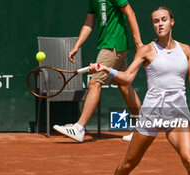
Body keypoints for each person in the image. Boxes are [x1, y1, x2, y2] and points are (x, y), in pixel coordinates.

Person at [88, 6, 190, 175]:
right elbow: (126, 78)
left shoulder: (185, 50)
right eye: (156, 21)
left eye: (164, 20)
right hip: (152, 114)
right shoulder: (146, 50)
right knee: (129, 163)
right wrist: (107, 69)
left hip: (177, 114)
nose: (160, 24)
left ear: (172, 21)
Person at [53, 0, 142, 142]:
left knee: (95, 83)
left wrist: (138, 44)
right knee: (125, 86)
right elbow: (89, 23)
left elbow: (130, 12)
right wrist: (77, 46)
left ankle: (79, 128)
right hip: (113, 45)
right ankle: (144, 127)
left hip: (112, 45)